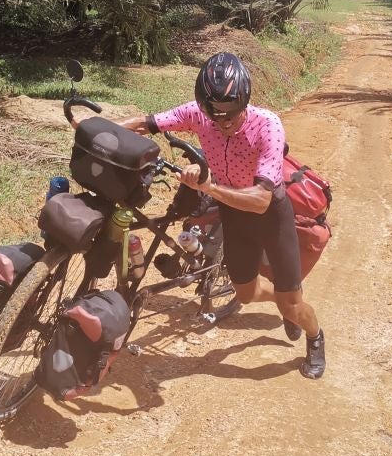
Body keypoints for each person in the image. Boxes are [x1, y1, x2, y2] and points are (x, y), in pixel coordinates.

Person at [117, 52, 325, 379]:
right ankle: (282, 301)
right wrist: (101, 131)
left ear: (245, 102)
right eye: (215, 116)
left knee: (294, 306)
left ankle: (314, 336)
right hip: (234, 214)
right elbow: (148, 123)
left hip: (270, 216)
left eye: (231, 115)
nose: (223, 122)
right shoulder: (199, 114)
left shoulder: (267, 125)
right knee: (246, 293)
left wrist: (209, 187)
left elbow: (260, 201)